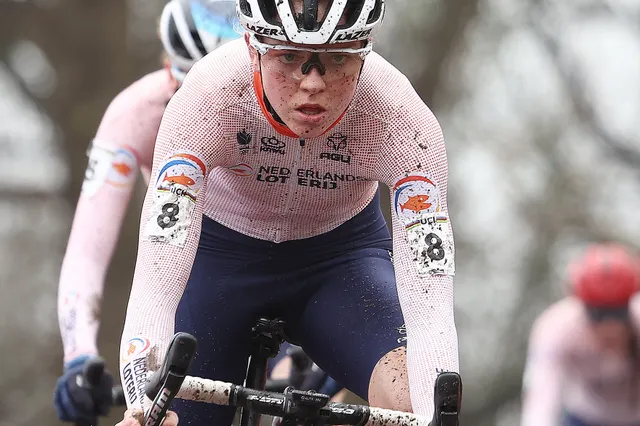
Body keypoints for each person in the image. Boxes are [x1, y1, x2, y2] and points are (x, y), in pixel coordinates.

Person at [118, 0, 459, 426]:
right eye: (288, 57)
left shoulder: (401, 120)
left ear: (365, 49)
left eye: (337, 59)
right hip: (219, 261)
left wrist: (435, 413)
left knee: (410, 399)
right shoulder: (207, 98)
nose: (312, 83)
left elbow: (431, 312)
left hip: (340, 263)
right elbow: (153, 288)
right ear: (251, 46)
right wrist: (140, 402)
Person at [53, 1, 242, 423]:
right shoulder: (134, 112)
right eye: (185, 92)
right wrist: (79, 355)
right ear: (165, 64)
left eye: (229, 99)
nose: (202, 114)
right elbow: (87, 250)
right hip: (190, 271)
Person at [520, 243, 640, 426]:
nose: (610, 327)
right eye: (598, 314)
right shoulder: (556, 328)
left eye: (617, 312)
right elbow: (541, 399)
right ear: (579, 302)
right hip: (583, 417)